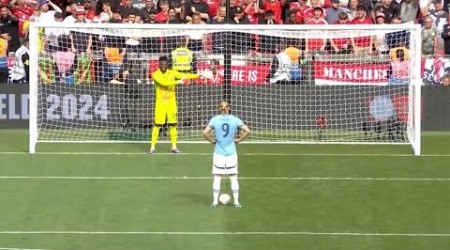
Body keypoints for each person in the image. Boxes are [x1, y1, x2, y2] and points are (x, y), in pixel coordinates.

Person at [202, 101, 251, 208]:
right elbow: (247, 130)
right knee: (233, 177)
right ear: (229, 108)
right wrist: (239, 140)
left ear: (219, 108)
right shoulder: (235, 119)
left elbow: (205, 132)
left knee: (217, 177)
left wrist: (211, 141)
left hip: (219, 153)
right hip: (231, 153)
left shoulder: (215, 119)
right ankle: (237, 202)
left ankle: (215, 202)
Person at [149, 55, 199, 154]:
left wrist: (199, 75)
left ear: (167, 64)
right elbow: (164, 83)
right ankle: (152, 147)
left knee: (173, 125)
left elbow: (184, 75)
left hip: (171, 104)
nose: (163, 66)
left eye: (165, 64)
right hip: (160, 104)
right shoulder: (155, 74)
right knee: (157, 125)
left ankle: (174, 147)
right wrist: (178, 81)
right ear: (159, 64)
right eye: (161, 64)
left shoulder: (172, 73)